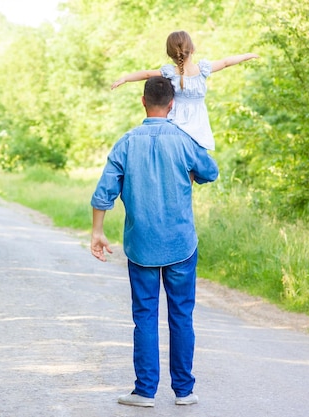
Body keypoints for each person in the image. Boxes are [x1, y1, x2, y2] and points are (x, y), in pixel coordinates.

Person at [90, 76, 219, 408]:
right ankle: (184, 391)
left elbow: (104, 193)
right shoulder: (184, 140)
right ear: (172, 104)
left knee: (145, 315)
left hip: (142, 245)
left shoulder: (127, 142)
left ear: (143, 101)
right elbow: (210, 172)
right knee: (181, 315)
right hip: (180, 244)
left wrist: (97, 232)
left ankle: (145, 392)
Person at [111, 30, 259, 150]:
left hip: (176, 122)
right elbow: (226, 62)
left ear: (170, 55)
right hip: (198, 123)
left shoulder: (171, 73)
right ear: (192, 49)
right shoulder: (202, 70)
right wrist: (247, 55)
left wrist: (125, 78)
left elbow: (147, 74)